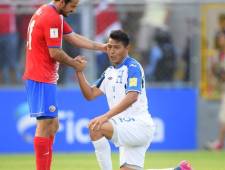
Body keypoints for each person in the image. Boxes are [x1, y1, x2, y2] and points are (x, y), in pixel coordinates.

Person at [75, 30, 191, 170]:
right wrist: (79, 72)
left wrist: (105, 116)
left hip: (138, 125)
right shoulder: (109, 72)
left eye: (117, 47)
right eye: (110, 47)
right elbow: (90, 94)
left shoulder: (132, 67)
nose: (112, 51)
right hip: (125, 127)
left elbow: (132, 96)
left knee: (96, 127)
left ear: (127, 48)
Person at [22, 0, 107, 170]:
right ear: (61, 2)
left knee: (53, 125)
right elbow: (55, 52)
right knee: (45, 125)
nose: (74, 10)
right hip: (40, 77)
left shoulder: (51, 12)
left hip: (45, 77)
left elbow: (73, 37)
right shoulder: (52, 16)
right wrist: (75, 65)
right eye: (72, 6)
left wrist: (102, 47)